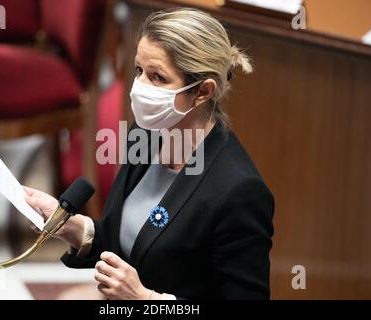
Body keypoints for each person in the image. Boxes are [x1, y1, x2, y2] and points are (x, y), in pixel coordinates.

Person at [24, 8, 274, 300]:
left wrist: (146, 299)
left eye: (157, 77)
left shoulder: (239, 190)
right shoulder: (146, 134)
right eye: (139, 71)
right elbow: (129, 242)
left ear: (203, 92)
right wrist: (72, 228)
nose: (140, 88)